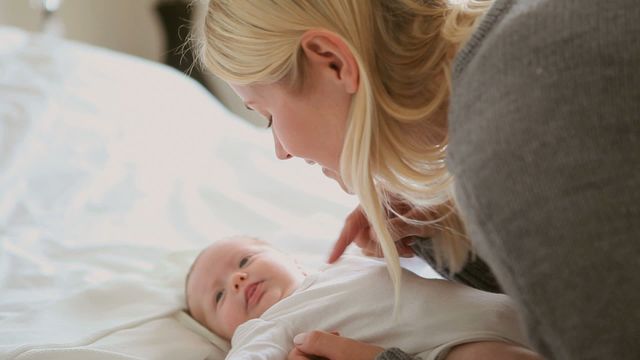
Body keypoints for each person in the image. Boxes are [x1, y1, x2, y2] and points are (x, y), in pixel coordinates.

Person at [197, 0, 640, 359]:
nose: (281, 149)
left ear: (333, 62)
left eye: (267, 114)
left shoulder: (508, 142)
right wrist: (455, 229)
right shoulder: (534, 38)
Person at [185, 236, 541, 360]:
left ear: (292, 259)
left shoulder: (344, 264)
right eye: (217, 297)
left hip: (507, 308)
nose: (237, 279)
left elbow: (408, 258)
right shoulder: (266, 327)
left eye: (245, 260)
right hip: (452, 348)